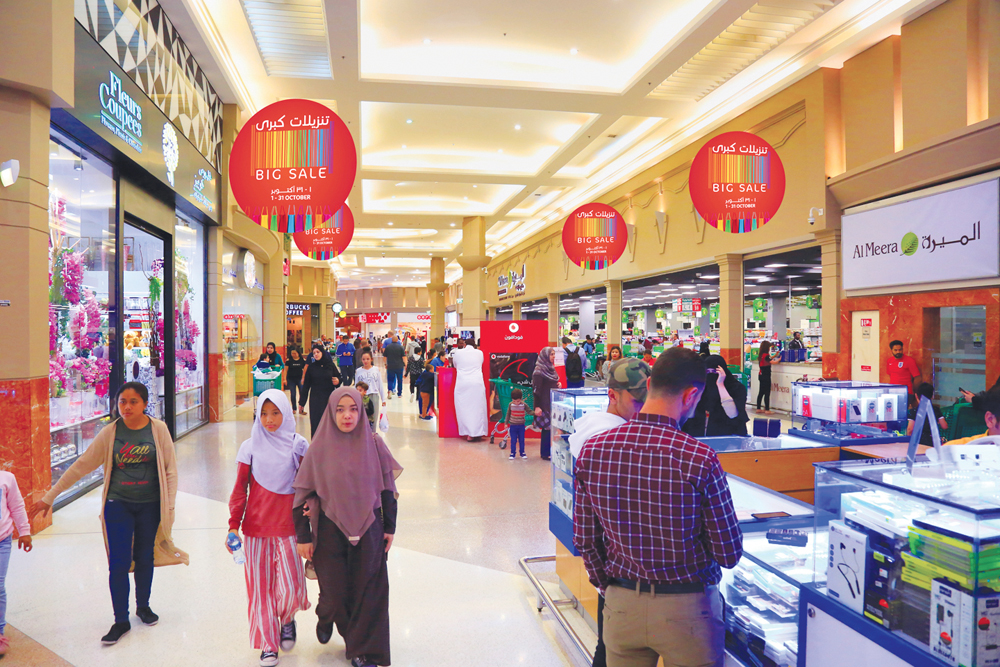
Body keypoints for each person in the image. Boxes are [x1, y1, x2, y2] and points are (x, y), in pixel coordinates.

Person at [574, 348, 742, 667]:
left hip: (622, 605)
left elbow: (584, 538)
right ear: (692, 394)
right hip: (689, 609)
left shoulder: (594, 450)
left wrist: (610, 588)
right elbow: (728, 553)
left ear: (650, 383)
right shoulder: (699, 458)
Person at [30, 382, 188, 644]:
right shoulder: (110, 433)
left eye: (133, 401)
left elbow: (170, 470)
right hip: (118, 506)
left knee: (145, 558)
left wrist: (169, 508)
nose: (126, 407)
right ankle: (120, 620)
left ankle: (143, 607)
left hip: (150, 506)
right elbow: (81, 466)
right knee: (118, 563)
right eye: (122, 401)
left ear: (145, 404)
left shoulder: (158, 429)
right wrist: (50, 496)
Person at [292, 388, 403, 667]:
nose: (347, 415)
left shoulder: (374, 444)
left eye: (352, 408)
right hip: (330, 530)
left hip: (370, 528)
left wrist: (390, 526)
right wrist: (303, 537)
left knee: (369, 590)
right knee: (336, 591)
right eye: (340, 409)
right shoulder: (319, 448)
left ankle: (361, 650)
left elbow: (387, 488)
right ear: (331, 412)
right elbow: (301, 495)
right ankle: (326, 611)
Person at [566, 358, 651, 667]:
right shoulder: (604, 440)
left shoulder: (598, 429)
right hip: (619, 574)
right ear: (612, 395)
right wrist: (604, 582)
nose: (643, 406)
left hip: (621, 573)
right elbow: (587, 532)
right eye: (636, 399)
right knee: (610, 649)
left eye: (647, 398)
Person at [227, 390, 310, 667]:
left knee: (290, 588)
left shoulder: (299, 446)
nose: (269, 419)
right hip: (256, 530)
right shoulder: (249, 448)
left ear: (286, 413)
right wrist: (233, 526)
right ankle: (268, 644)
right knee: (260, 591)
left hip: (290, 528)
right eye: (263, 413)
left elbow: (310, 489)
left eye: (275, 413)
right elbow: (239, 491)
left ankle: (287, 619)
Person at [0, 467, 32, 657]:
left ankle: (0, 631)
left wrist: (25, 531)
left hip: (2, 539)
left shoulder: (6, 478)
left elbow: (17, 506)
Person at [683, 355, 750, 438]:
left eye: (715, 372)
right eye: (708, 371)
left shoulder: (736, 388)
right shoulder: (700, 387)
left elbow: (733, 414)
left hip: (730, 436)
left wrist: (720, 385)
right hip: (700, 437)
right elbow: (690, 415)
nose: (711, 375)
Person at [452, 339, 489, 442]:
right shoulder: (479, 353)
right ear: (475, 345)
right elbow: (480, 363)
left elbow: (455, 365)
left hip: (462, 383)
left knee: (464, 408)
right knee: (478, 408)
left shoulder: (458, 353)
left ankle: (469, 433)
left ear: (464, 344)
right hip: (477, 383)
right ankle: (478, 432)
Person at [301, 346, 342, 436]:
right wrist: (302, 403)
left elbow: (339, 377)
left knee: (329, 421)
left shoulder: (330, 365)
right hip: (315, 398)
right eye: (314, 353)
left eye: (318, 352)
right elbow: (306, 386)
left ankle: (329, 443)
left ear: (322, 352)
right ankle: (316, 444)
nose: (316, 354)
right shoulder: (311, 368)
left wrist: (338, 381)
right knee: (316, 421)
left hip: (328, 397)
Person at [532, 347, 562, 460]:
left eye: (554, 354)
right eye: (551, 354)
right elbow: (536, 390)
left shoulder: (550, 368)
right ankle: (545, 453)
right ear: (545, 356)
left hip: (551, 402)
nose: (553, 357)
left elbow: (550, 382)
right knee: (546, 428)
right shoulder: (539, 371)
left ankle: (548, 452)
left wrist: (557, 385)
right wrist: (537, 407)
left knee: (550, 428)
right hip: (544, 404)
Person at [355, 351, 387, 433]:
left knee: (373, 417)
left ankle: (373, 435)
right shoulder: (358, 371)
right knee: (362, 416)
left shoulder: (376, 370)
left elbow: (380, 384)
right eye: (363, 359)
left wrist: (383, 399)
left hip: (374, 395)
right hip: (362, 397)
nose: (365, 361)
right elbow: (356, 385)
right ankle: (363, 435)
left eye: (368, 359)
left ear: (371, 359)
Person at [505, 388, 528, 460]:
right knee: (513, 440)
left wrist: (535, 414)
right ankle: (512, 453)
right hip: (513, 425)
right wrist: (506, 423)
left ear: (521, 399)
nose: (516, 403)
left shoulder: (524, 405)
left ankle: (522, 452)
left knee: (521, 440)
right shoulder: (510, 405)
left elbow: (529, 411)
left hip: (521, 425)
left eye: (518, 401)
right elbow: (508, 414)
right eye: (514, 401)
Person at [285, 347, 308, 416]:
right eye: (292, 353)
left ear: (298, 353)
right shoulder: (289, 361)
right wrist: (284, 379)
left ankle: (301, 408)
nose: (293, 354)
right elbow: (285, 370)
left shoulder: (302, 360)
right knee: (293, 394)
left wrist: (304, 378)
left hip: (300, 379)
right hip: (291, 379)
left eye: (295, 353)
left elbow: (305, 370)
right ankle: (294, 409)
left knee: (302, 393)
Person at [383, 335, 405, 400]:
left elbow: (385, 357)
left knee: (390, 379)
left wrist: (385, 364)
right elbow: (404, 357)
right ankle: (399, 393)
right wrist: (406, 364)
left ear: (392, 340)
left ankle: (390, 390)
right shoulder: (400, 347)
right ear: (397, 340)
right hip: (399, 366)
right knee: (400, 380)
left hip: (390, 366)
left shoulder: (388, 347)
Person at [756, 340, 775, 414]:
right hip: (766, 376)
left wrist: (775, 355)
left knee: (761, 392)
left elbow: (768, 359)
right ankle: (767, 409)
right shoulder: (766, 355)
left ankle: (758, 408)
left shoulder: (761, 355)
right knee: (767, 392)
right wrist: (779, 359)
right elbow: (772, 362)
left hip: (761, 375)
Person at [418, 350, 437, 420]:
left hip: (422, 390)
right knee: (425, 404)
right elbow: (435, 376)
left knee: (424, 404)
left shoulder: (424, 374)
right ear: (430, 369)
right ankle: (424, 415)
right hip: (426, 392)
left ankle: (424, 414)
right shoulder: (430, 375)